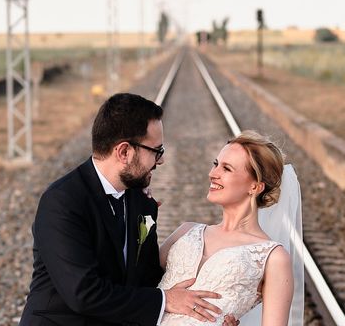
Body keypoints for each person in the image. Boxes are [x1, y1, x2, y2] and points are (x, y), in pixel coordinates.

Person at [19, 93, 239, 326]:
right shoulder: (62, 203)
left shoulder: (141, 201)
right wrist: (165, 300)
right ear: (124, 152)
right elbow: (84, 293)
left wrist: (209, 314)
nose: (161, 161)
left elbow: (145, 277)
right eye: (157, 151)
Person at [157, 131, 304, 325]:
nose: (213, 174)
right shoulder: (186, 231)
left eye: (226, 169)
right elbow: (135, 287)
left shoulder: (272, 257)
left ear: (255, 187)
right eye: (215, 164)